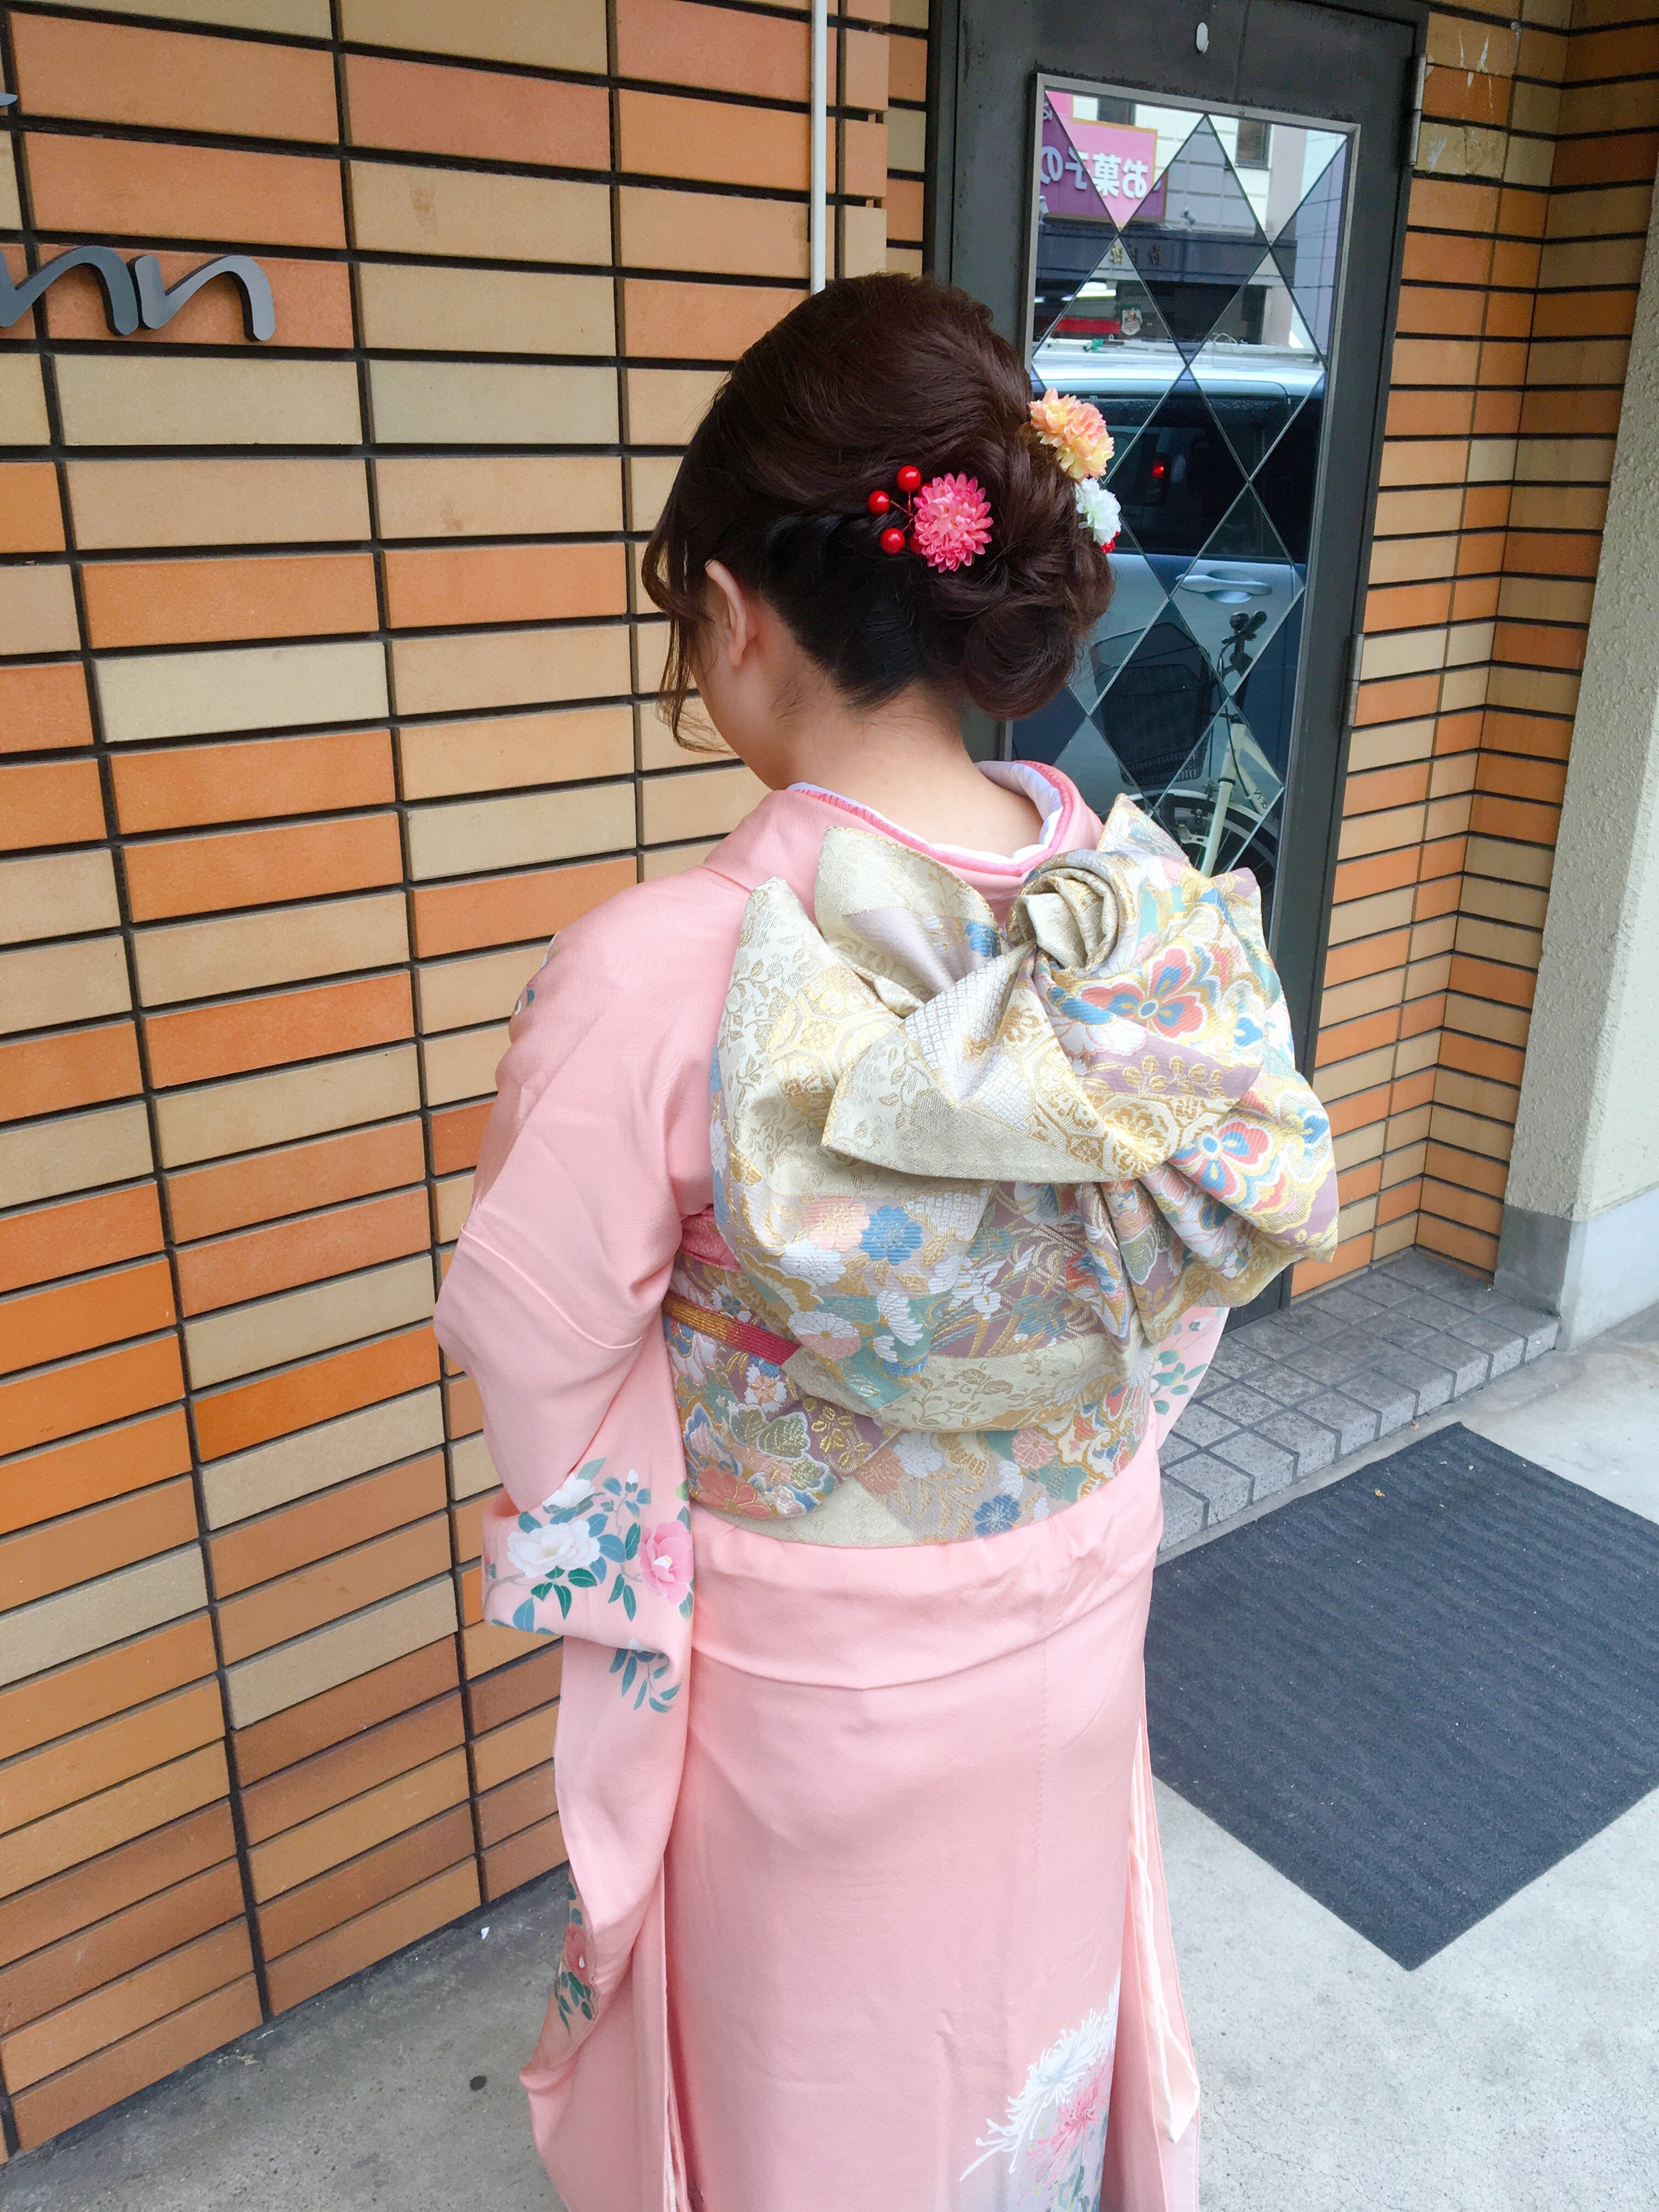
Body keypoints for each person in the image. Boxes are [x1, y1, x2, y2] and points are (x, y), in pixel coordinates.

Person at [434, 274, 1338, 2212]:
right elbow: (1199, 1264)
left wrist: (662, 1565)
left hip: (803, 1688)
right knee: (1023, 2023)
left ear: (734, 615)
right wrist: (1048, 1426)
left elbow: (538, 1353)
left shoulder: (664, 973)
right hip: (1080, 1594)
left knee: (823, 2093)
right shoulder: (1148, 922)